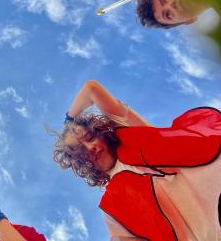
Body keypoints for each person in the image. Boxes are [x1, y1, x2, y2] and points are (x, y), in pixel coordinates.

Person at [54, 80, 221, 240]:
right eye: (81, 152)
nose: (90, 148)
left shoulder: (133, 135)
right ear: (82, 164)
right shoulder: (112, 207)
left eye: (90, 138)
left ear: (100, 134)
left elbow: (91, 89)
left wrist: (68, 122)